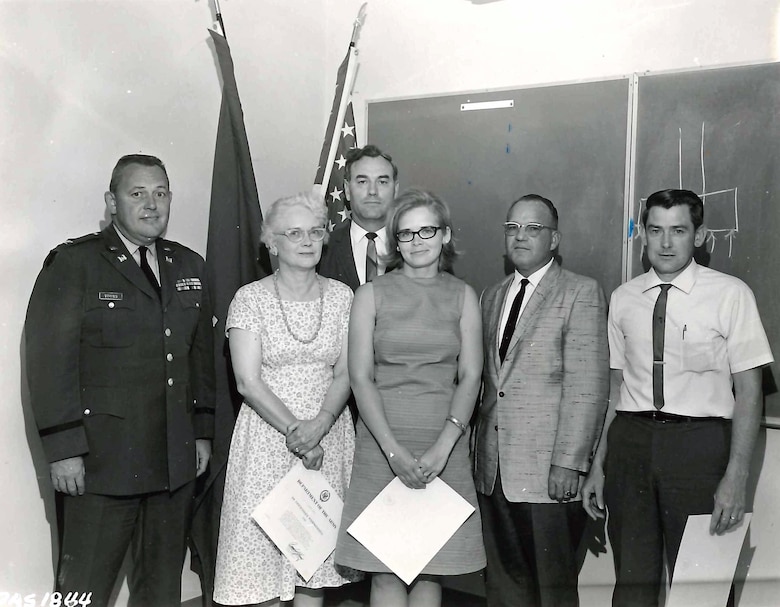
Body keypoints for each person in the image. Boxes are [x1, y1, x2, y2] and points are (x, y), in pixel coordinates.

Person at [24, 154, 215, 607]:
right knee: (82, 590)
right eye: (137, 193)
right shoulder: (75, 264)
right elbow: (49, 362)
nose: (152, 204)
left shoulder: (189, 266)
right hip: (100, 462)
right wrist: (64, 449)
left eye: (161, 192)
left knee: (160, 588)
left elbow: (200, 361)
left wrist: (202, 434)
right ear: (112, 202)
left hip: (172, 459)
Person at [581, 189, 773, 606]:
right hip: (630, 445)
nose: (666, 243)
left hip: (699, 449)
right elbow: (615, 388)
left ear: (699, 236)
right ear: (643, 236)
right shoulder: (623, 298)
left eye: (679, 231)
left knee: (701, 589)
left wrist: (736, 478)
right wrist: (598, 464)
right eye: (656, 231)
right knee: (632, 583)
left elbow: (750, 391)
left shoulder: (730, 294)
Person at [335, 188, 486, 607]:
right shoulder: (370, 295)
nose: (417, 241)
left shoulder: (463, 295)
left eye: (427, 231)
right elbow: (361, 378)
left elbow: (471, 375)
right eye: (406, 234)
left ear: (445, 235)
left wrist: (445, 444)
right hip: (382, 445)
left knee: (429, 570)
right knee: (385, 573)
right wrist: (393, 451)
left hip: (445, 444)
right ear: (394, 241)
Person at [213, 192, 359, 606]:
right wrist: (298, 433)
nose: (307, 240)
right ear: (271, 243)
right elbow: (247, 381)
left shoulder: (343, 297)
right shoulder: (250, 298)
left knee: (312, 564)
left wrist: (319, 427)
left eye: (315, 231)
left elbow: (346, 372)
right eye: (293, 233)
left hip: (327, 437)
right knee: (260, 566)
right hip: (267, 439)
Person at [473, 194, 610, 607]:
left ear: (554, 239)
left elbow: (588, 386)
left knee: (552, 592)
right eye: (512, 228)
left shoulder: (581, 292)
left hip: (549, 474)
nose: (520, 236)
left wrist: (570, 462)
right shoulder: (491, 295)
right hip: (494, 471)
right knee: (505, 590)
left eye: (533, 228)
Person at [319, 144, 399, 291]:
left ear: (395, 190)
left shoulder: (414, 246)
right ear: (347, 190)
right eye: (362, 182)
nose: (372, 191)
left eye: (382, 182)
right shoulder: (322, 249)